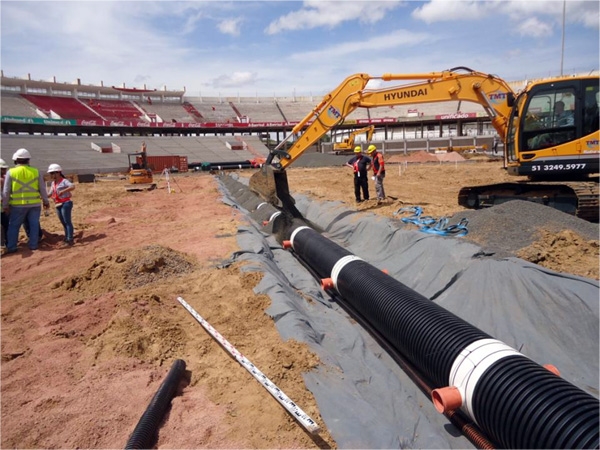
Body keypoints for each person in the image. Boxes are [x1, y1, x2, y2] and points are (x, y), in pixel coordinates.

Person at [2, 148, 50, 253]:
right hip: (34, 204)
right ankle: (33, 245)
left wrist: (5, 205)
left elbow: (6, 191)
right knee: (34, 224)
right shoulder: (35, 171)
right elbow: (42, 188)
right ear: (28, 160)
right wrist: (46, 201)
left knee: (14, 226)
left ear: (16, 160)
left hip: (17, 205)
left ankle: (12, 247)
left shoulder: (11, 172)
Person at [47, 163, 76, 246]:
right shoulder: (53, 183)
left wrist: (63, 191)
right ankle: (67, 237)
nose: (52, 175)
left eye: (53, 173)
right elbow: (50, 193)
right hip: (58, 204)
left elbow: (72, 186)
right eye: (51, 173)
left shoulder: (64, 181)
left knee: (67, 221)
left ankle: (70, 239)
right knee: (63, 222)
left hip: (66, 203)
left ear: (58, 172)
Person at [0, 159, 9, 248]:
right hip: (2, 209)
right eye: (3, 169)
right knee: (4, 227)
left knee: (5, 226)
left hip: (3, 209)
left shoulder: (4, 178)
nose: (5, 170)